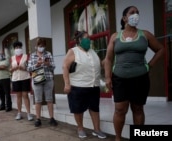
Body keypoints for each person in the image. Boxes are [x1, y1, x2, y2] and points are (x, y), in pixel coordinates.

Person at [104, 6, 164, 141]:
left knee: (137, 108)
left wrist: (150, 65)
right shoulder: (115, 36)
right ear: (124, 18)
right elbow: (108, 59)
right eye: (132, 13)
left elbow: (160, 49)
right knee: (120, 109)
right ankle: (118, 138)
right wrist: (108, 77)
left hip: (140, 78)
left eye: (137, 12)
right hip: (120, 78)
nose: (136, 15)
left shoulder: (145, 34)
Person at [62, 31, 106, 139]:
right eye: (86, 38)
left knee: (95, 109)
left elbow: (101, 64)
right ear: (80, 40)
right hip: (78, 86)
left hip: (93, 86)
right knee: (78, 109)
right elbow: (65, 67)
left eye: (89, 38)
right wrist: (67, 84)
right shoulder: (73, 51)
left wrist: (109, 57)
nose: (88, 40)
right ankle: (80, 128)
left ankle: (97, 129)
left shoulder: (93, 52)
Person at [27, 37, 58, 127]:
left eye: (43, 46)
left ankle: (51, 118)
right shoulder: (32, 55)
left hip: (48, 79)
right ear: (36, 46)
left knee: (49, 99)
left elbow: (53, 67)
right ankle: (38, 119)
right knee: (38, 100)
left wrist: (48, 64)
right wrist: (36, 65)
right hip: (37, 78)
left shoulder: (48, 54)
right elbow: (28, 68)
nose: (41, 47)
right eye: (40, 46)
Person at [10, 41, 33, 121]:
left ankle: (29, 113)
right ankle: (19, 113)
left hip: (25, 78)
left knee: (25, 95)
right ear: (14, 49)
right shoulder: (12, 58)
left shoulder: (26, 56)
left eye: (19, 47)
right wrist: (14, 68)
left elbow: (30, 67)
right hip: (16, 78)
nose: (18, 49)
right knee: (18, 96)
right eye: (16, 47)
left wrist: (23, 68)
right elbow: (10, 70)